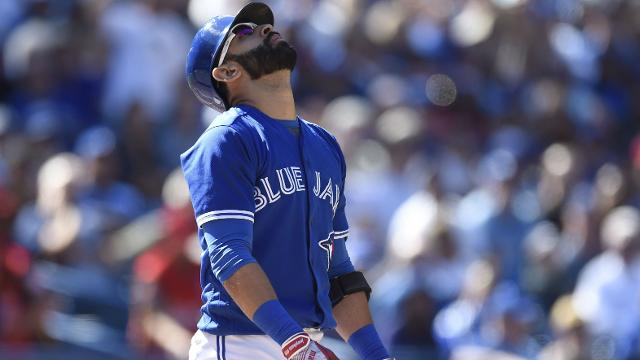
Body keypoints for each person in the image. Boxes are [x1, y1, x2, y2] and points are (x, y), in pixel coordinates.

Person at [180, 3, 391, 360]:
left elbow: (337, 272)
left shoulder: (324, 144)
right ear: (227, 70)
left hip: (301, 341)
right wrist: (293, 342)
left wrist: (376, 354)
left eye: (261, 24)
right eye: (243, 32)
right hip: (240, 342)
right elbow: (229, 255)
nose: (263, 28)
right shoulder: (227, 139)